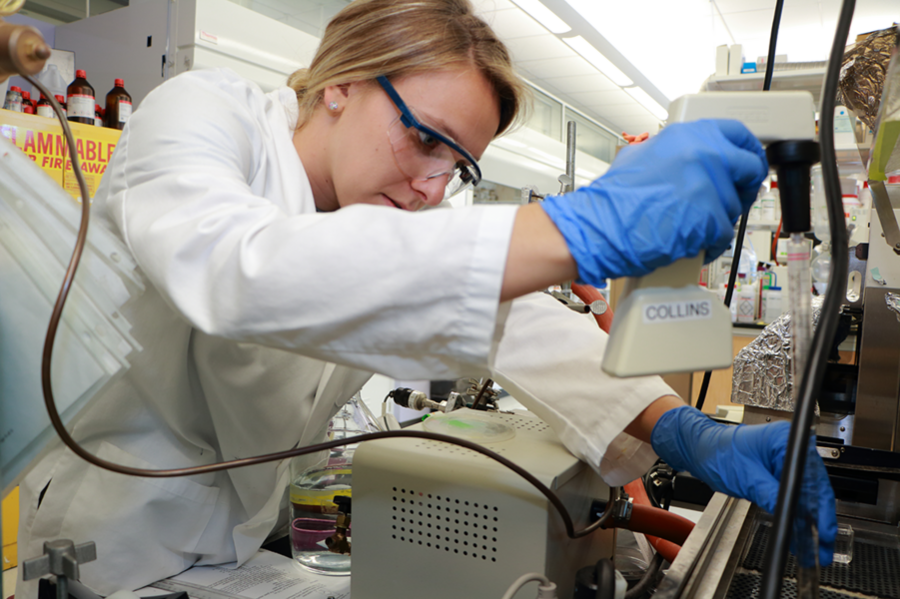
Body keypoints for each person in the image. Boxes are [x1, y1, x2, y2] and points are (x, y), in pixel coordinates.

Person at [17, 0, 835, 594]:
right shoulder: (202, 115)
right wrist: (570, 231)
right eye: (423, 140)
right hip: (108, 553)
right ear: (340, 83)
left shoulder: (387, 210)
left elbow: (510, 326)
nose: (432, 185)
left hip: (234, 551)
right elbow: (235, 268)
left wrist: (682, 430)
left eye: (458, 167)